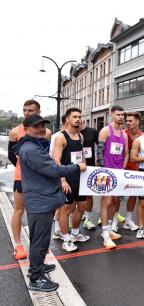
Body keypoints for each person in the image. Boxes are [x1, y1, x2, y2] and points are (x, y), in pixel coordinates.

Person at [16, 114, 86, 292]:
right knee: (39, 241)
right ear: (26, 129)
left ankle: (38, 267)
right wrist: (77, 167)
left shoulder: (33, 144)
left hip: (42, 198)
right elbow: (54, 169)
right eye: (36, 126)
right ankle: (36, 278)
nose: (40, 129)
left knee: (41, 238)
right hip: (39, 200)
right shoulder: (31, 149)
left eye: (42, 126)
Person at [8, 99, 51, 260]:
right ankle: (18, 245)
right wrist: (24, 168)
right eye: (25, 110)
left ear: (38, 112)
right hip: (21, 178)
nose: (26, 113)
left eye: (30, 111)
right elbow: (13, 157)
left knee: (38, 212)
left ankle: (37, 245)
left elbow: (47, 156)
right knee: (19, 210)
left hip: (41, 179)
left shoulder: (46, 133)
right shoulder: (15, 132)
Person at [52, 108, 89, 252]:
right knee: (66, 209)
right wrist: (62, 180)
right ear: (67, 119)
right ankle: (66, 239)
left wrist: (85, 167)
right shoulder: (61, 137)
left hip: (79, 178)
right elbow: (56, 160)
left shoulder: (80, 136)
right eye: (75, 117)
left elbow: (81, 156)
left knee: (82, 206)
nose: (78, 119)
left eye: (79, 117)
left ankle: (74, 233)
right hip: (66, 179)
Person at [97, 105, 129, 249]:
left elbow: (126, 153)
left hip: (119, 172)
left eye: (122, 114)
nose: (121, 117)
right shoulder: (105, 131)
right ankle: (105, 234)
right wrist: (105, 171)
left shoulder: (124, 134)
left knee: (115, 201)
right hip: (106, 173)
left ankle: (109, 228)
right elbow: (99, 152)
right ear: (111, 115)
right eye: (118, 114)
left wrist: (123, 169)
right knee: (106, 201)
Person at [121, 112, 143, 232]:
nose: (128, 123)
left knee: (133, 195)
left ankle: (128, 220)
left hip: (135, 168)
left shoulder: (143, 136)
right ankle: (113, 221)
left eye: (130, 121)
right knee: (116, 196)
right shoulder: (122, 134)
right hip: (122, 167)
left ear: (138, 121)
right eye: (127, 121)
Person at [79, 119, 98, 230]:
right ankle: (72, 220)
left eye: (79, 117)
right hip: (74, 167)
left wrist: (99, 161)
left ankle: (88, 219)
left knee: (89, 194)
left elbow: (100, 146)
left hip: (89, 167)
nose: (77, 120)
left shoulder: (92, 131)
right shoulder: (70, 133)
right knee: (75, 197)